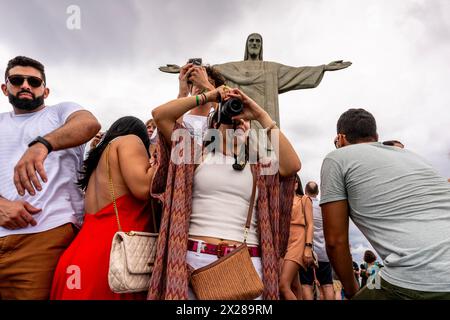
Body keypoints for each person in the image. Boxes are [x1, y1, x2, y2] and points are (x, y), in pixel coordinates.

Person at [147, 85, 300, 300]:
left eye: (242, 121)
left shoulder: (259, 166)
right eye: (230, 120)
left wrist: (259, 114)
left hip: (245, 265)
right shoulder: (194, 155)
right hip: (195, 262)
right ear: (214, 126)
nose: (236, 123)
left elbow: (292, 165)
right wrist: (210, 96)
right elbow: (160, 115)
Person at [320, 108, 450, 300]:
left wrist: (352, 292)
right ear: (376, 136)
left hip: (421, 277)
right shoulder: (413, 156)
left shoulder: (337, 158)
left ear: (340, 138)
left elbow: (335, 241)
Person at [0, 56, 100, 299]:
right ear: (5, 87)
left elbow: (89, 124)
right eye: (17, 80)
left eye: (34, 81)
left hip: (44, 236)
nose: (25, 85)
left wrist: (42, 144)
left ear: (45, 90)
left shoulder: (61, 112)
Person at [51, 116, 156, 300]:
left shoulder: (99, 160)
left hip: (79, 255)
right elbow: (143, 188)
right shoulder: (130, 140)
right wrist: (158, 160)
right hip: (114, 257)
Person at [160, 33, 351, 128]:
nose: (254, 44)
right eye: (251, 41)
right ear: (246, 45)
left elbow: (296, 72)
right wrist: (182, 70)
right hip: (237, 122)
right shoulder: (232, 67)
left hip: (263, 122)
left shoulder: (271, 68)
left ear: (261, 47)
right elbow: (207, 73)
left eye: (257, 41)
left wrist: (323, 67)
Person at [279, 175, 314, 300]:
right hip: (283, 242)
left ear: (298, 183)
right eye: (289, 181)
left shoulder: (304, 199)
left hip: (298, 240)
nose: (293, 183)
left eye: (295, 181)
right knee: (294, 284)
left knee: (283, 285)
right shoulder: (280, 200)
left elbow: (310, 225)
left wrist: (308, 247)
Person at [299, 181, 335, 300]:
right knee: (327, 284)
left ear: (305, 191)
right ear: (318, 192)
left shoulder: (301, 205)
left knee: (306, 284)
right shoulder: (323, 208)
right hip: (324, 252)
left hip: (306, 250)